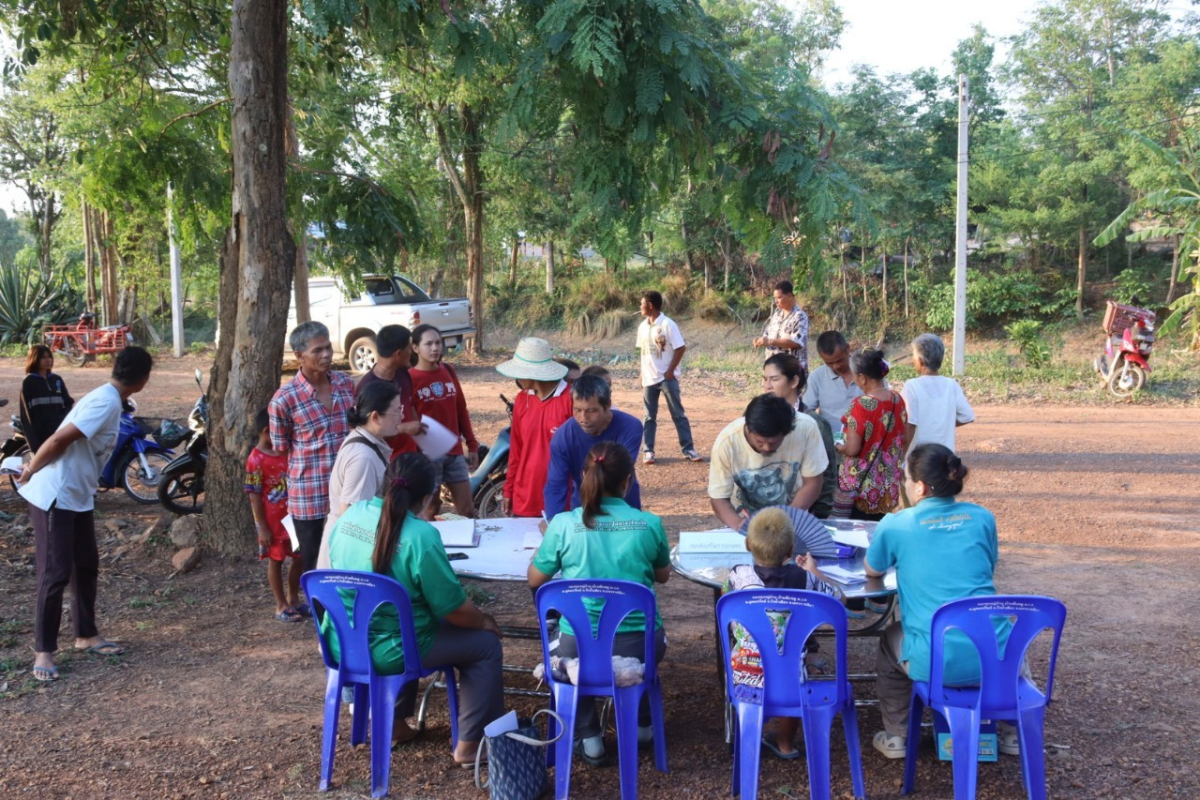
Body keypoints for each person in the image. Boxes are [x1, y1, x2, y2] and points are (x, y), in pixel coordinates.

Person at [324, 453, 504, 765]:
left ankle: (393, 724)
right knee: (485, 646)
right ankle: (469, 745)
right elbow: (454, 610)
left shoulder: (351, 517)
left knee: (404, 618)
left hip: (343, 641)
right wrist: (485, 621)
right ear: (426, 498)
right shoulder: (420, 536)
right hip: (394, 649)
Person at [864, 444, 1017, 760]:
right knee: (1010, 640)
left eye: (907, 479)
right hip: (994, 658)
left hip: (935, 660)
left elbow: (873, 569)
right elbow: (986, 567)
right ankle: (1012, 734)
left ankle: (896, 736)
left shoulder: (897, 524)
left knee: (889, 640)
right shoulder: (982, 518)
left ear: (919, 487)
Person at [528, 441, 670, 765]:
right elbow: (663, 575)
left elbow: (536, 579)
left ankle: (590, 736)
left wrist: (549, 543)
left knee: (572, 653)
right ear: (628, 481)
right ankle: (642, 725)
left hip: (577, 646)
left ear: (584, 478)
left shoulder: (563, 525)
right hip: (640, 645)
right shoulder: (649, 524)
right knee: (643, 656)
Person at [18, 346, 154, 682]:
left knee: (86, 565)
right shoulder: (105, 402)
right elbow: (57, 440)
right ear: (143, 380)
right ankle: (44, 651)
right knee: (56, 572)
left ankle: (85, 635)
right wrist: (29, 471)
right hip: (55, 494)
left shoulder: (111, 399)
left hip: (78, 496)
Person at [722, 507, 840, 760]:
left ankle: (749, 738)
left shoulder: (737, 575)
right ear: (790, 550)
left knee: (759, 659)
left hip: (744, 674)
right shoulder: (805, 579)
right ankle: (785, 743)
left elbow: (726, 601)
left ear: (747, 544)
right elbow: (839, 599)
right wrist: (814, 571)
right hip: (791, 681)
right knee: (793, 667)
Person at [269, 321, 356, 581]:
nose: (327, 355)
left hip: (347, 491)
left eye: (328, 347)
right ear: (299, 356)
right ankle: (320, 616)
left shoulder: (345, 384)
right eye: (318, 350)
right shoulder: (284, 399)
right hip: (309, 496)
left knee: (349, 555)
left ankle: (345, 614)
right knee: (314, 562)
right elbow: (281, 449)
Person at [316, 381, 404, 570]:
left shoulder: (367, 442)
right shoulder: (363, 458)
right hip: (347, 561)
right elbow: (352, 517)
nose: (402, 416)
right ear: (376, 417)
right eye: (396, 411)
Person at [708, 394, 828, 531]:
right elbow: (719, 498)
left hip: (793, 521)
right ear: (748, 428)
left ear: (786, 432)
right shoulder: (727, 442)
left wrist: (787, 518)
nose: (766, 448)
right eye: (760, 442)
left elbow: (813, 482)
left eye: (774, 442)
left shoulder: (806, 428)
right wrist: (739, 524)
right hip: (744, 520)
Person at [543, 374, 643, 516]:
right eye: (577, 410)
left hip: (623, 506)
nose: (583, 419)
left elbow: (618, 472)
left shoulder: (631, 427)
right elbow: (556, 485)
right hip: (583, 509)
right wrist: (553, 521)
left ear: (607, 405)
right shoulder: (562, 438)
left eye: (591, 411)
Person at [495, 338, 572, 519]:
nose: (517, 378)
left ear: (532, 372)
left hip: (562, 496)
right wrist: (509, 489)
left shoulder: (571, 400)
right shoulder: (522, 399)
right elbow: (516, 450)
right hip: (525, 494)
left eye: (519, 372)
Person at [409, 324, 480, 517]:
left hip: (454, 452)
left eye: (438, 343)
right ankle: (433, 547)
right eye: (428, 344)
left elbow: (460, 409)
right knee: (430, 511)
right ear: (415, 348)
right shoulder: (409, 379)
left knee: (467, 510)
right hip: (427, 456)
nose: (434, 348)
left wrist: (471, 444)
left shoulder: (448, 370)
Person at [831, 350, 906, 520]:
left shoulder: (860, 405)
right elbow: (904, 438)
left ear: (863, 378)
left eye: (855, 377)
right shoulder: (897, 399)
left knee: (856, 532)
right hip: (887, 484)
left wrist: (837, 443)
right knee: (877, 528)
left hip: (861, 488)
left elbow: (852, 449)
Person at [762, 353, 835, 518]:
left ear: (794, 382)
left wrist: (819, 516)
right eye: (765, 379)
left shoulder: (815, 423)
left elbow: (827, 477)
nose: (767, 386)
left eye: (774, 379)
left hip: (804, 514)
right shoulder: (756, 417)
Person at [245, 408, 301, 622]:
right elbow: (255, 496)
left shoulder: (288, 451)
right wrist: (264, 528)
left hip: (295, 517)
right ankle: (281, 605)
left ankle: (293, 598)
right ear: (268, 431)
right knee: (276, 560)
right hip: (272, 522)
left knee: (300, 557)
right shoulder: (255, 460)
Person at [636, 290, 703, 465]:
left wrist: (670, 371)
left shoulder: (668, 324)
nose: (640, 306)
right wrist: (642, 373)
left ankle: (688, 448)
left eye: (642, 303)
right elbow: (643, 352)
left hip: (667, 378)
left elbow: (680, 348)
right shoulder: (642, 327)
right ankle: (648, 450)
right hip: (649, 379)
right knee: (649, 416)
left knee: (678, 414)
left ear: (650, 305)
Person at [355, 324, 426, 459]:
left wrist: (420, 438)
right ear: (398, 354)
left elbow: (410, 407)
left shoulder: (403, 375)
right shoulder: (367, 387)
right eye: (408, 348)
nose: (411, 352)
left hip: (411, 456)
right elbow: (365, 432)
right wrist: (404, 428)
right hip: (386, 463)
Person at [902, 333, 974, 454]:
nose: (912, 360)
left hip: (919, 459)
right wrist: (945, 424)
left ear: (920, 360)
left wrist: (902, 457)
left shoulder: (912, 386)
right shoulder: (952, 385)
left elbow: (910, 425)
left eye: (913, 356)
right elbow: (967, 416)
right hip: (946, 456)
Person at [802, 331, 862, 434]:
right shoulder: (817, 377)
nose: (835, 366)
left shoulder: (867, 371)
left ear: (848, 349)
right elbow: (806, 412)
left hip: (865, 439)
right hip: (830, 441)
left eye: (839, 361)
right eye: (829, 363)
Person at [20, 344, 74, 453]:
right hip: (40, 435)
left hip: (58, 432)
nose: (48, 360)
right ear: (34, 359)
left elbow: (68, 402)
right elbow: (26, 416)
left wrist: (62, 418)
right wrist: (34, 444)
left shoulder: (57, 380)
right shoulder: (28, 382)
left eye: (49, 357)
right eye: (43, 358)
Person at [753, 280, 809, 368]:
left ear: (790, 296)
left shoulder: (800, 316)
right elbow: (767, 335)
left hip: (791, 369)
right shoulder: (776, 315)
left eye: (779, 297)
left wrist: (770, 341)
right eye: (775, 298)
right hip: (773, 368)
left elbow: (795, 342)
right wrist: (760, 341)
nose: (776, 301)